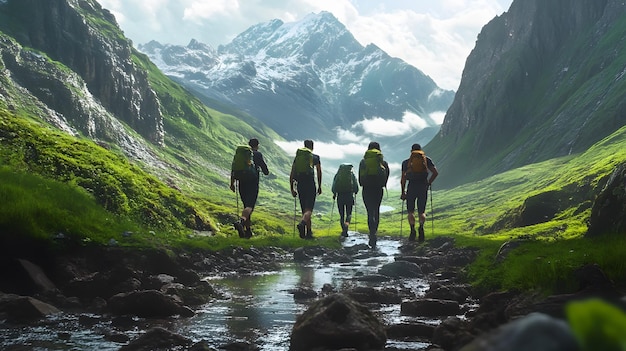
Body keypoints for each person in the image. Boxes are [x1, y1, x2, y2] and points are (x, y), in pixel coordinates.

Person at [230, 138, 270, 238]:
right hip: (252, 183)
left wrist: (232, 183)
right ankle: (241, 222)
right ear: (257, 145)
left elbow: (234, 169)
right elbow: (266, 171)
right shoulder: (257, 154)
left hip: (241, 182)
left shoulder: (241, 155)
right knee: (249, 206)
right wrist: (264, 171)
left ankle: (247, 232)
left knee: (245, 206)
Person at [400, 143, 438, 242]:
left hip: (411, 187)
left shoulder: (406, 162)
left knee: (410, 211)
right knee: (421, 211)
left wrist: (403, 192)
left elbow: (403, 178)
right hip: (423, 186)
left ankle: (412, 230)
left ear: (411, 151)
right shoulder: (426, 160)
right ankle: (421, 227)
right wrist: (429, 183)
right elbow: (435, 172)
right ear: (421, 150)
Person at [358, 141, 390, 247]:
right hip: (378, 189)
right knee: (376, 210)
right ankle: (374, 233)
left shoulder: (363, 162)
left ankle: (371, 233)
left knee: (369, 212)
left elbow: (360, 178)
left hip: (367, 189)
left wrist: (364, 183)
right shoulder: (383, 163)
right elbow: (387, 175)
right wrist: (383, 184)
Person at [290, 139, 322, 239]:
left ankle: (308, 233)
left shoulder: (298, 157)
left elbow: (292, 173)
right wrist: (319, 186)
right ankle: (303, 224)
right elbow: (319, 172)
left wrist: (292, 188)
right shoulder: (315, 157)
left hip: (300, 185)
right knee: (309, 210)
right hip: (310, 184)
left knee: (304, 209)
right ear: (312, 147)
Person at [331, 163, 359, 237]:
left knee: (342, 215)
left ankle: (343, 229)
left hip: (340, 196)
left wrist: (334, 194)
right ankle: (346, 225)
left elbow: (334, 185)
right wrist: (355, 191)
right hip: (349, 196)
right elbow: (356, 184)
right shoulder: (351, 175)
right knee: (349, 213)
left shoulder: (338, 175)